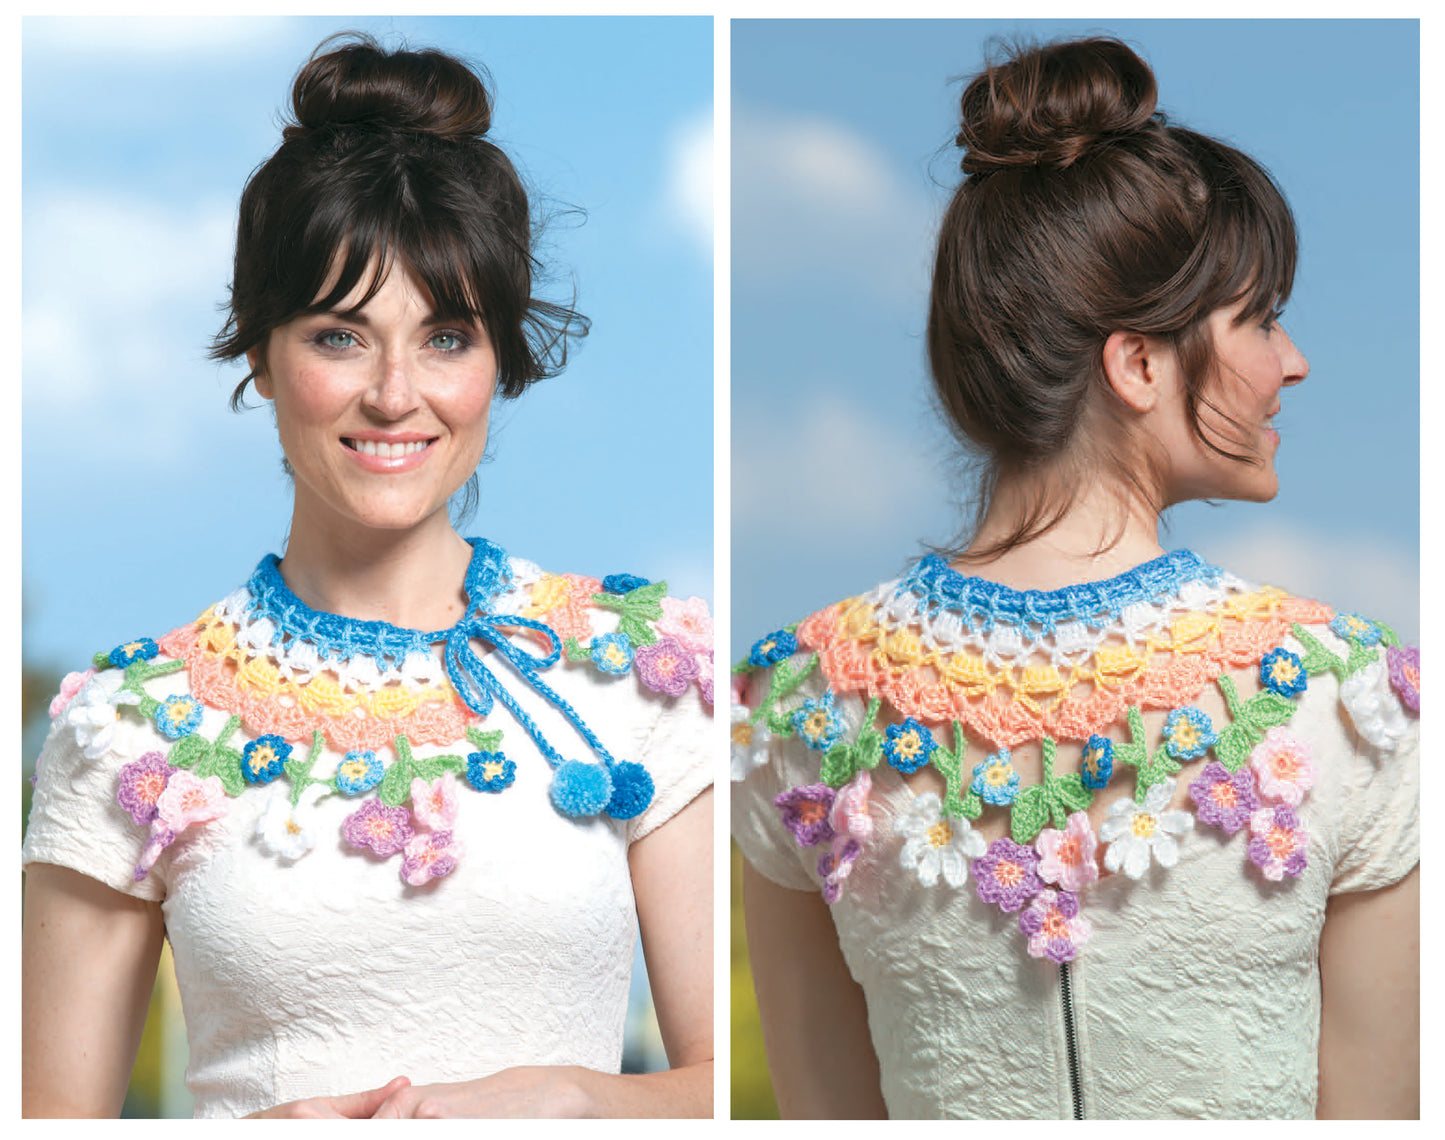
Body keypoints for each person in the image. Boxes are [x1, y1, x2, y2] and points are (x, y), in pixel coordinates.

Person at [23, 34, 713, 1119]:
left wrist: (578, 1102)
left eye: (446, 338)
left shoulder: (645, 668)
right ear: (260, 351)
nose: (396, 395)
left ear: (498, 360)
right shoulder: (129, 726)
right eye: (341, 338)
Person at [731, 36, 1417, 1120]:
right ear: (1137, 363)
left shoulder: (791, 703)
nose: (1291, 362)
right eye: (1259, 318)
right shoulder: (1349, 696)